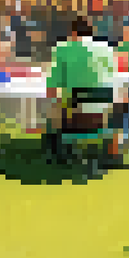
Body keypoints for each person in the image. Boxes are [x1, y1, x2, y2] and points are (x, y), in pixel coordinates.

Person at [46, 17, 119, 159]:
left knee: (54, 106)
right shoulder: (106, 49)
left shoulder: (62, 49)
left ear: (72, 33)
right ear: (92, 32)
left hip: (73, 117)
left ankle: (55, 150)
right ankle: (112, 153)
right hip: (102, 117)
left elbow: (51, 89)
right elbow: (113, 79)